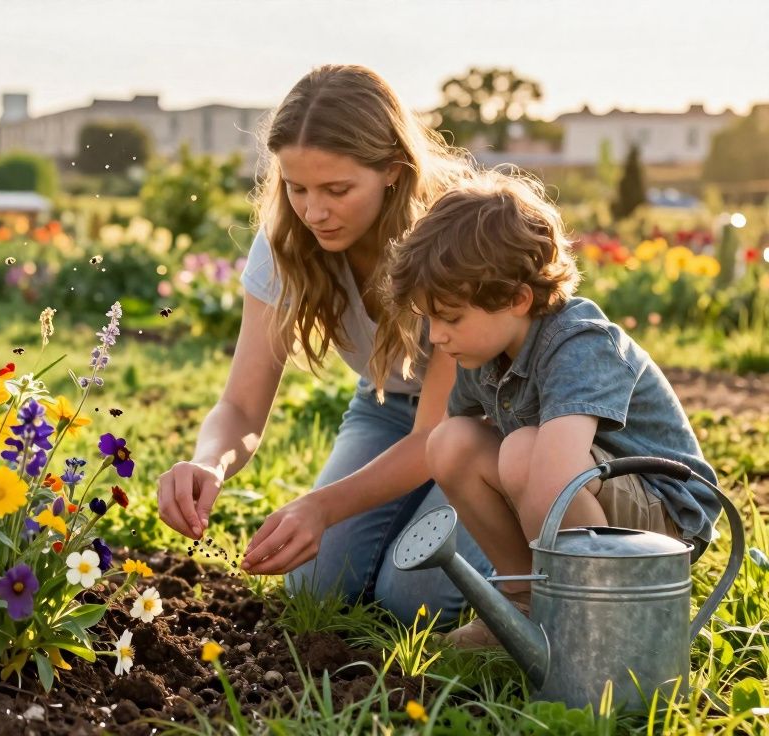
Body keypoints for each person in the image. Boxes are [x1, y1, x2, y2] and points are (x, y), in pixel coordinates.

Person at [156, 64, 492, 625]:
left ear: (393, 170)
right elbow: (241, 404)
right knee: (316, 585)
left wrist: (322, 505)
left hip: (487, 427)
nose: (313, 211)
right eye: (297, 187)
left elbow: (435, 436)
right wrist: (209, 462)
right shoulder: (288, 238)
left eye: (337, 190)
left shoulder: (451, 230)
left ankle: (555, 530)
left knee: (414, 599)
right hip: (389, 408)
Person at [381, 170, 722, 647]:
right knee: (450, 443)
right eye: (429, 319)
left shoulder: (578, 342)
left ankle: (598, 627)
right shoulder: (482, 354)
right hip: (583, 494)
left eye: (450, 317)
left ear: (518, 299)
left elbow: (556, 480)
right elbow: (458, 448)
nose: (436, 336)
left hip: (664, 518)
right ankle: (523, 606)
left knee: (524, 451)